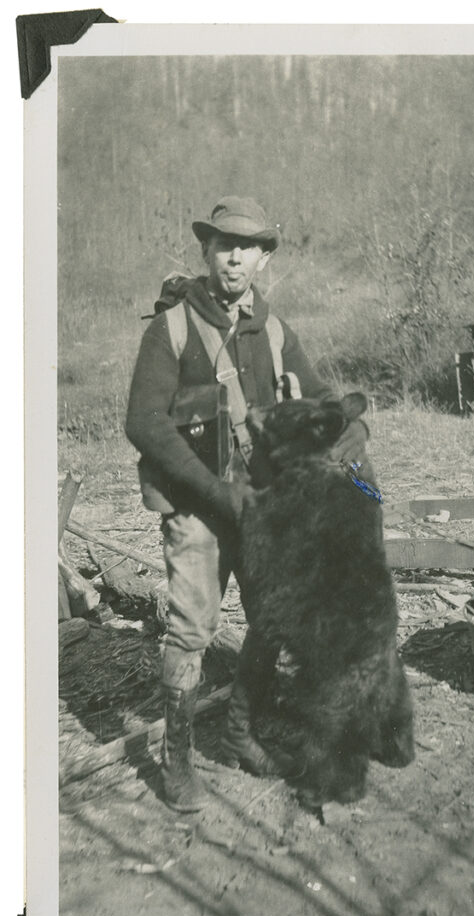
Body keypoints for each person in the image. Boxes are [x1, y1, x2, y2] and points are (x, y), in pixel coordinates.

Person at [126, 196, 367, 812]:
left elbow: (317, 397)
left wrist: (346, 428)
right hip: (198, 504)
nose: (234, 258)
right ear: (206, 251)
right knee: (192, 625)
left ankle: (238, 731)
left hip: (259, 505)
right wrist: (217, 496)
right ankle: (176, 759)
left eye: (248, 248)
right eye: (223, 245)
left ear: (263, 259)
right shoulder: (173, 328)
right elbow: (145, 424)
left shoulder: (274, 330)